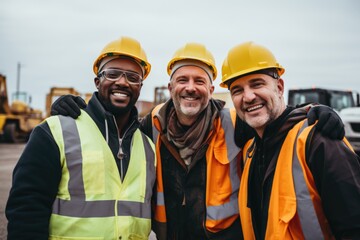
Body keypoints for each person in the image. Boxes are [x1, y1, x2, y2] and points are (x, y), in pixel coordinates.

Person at [50, 42, 345, 240]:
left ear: (211, 88)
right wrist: (75, 107)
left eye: (199, 81)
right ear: (170, 87)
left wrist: (312, 112)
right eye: (183, 80)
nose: (190, 88)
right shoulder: (149, 127)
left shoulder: (233, 123)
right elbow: (113, 127)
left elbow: (270, 117)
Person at [6, 36, 156, 240]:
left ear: (140, 86)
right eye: (112, 74)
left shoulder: (148, 146)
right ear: (97, 81)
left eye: (132, 77)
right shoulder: (55, 131)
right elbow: (26, 208)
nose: (122, 82)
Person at [220, 41, 360, 239]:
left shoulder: (318, 141)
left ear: (279, 87)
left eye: (257, 84)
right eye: (237, 90)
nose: (248, 97)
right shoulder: (249, 151)